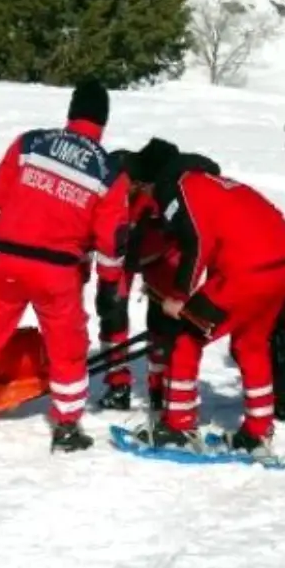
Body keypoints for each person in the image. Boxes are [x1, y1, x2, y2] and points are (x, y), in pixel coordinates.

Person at [0, 79, 129, 452]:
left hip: (8, 261)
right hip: (58, 273)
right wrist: (110, 284)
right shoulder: (108, 172)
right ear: (103, 121)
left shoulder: (31, 143)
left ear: (71, 112)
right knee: (67, 350)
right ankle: (66, 428)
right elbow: (110, 240)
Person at [138, 146, 285, 455]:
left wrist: (179, 296)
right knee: (251, 345)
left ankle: (179, 426)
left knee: (187, 336)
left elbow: (196, 241)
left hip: (248, 270)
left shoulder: (181, 187)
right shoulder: (220, 184)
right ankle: (258, 429)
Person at [96, 140, 184, 412]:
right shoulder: (113, 181)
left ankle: (161, 387)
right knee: (113, 313)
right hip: (122, 252)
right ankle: (118, 383)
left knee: (164, 320)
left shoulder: (171, 186)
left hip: (163, 251)